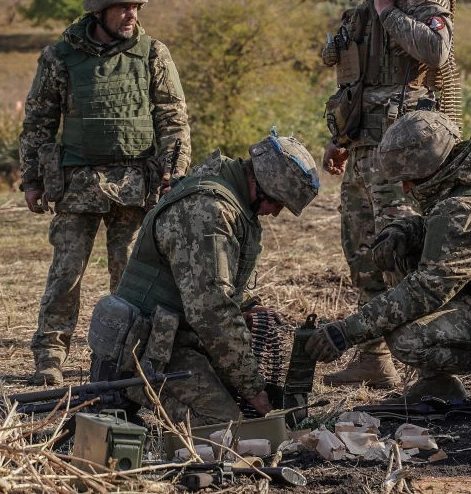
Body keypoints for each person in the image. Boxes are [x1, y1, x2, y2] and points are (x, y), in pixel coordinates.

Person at [305, 110, 471, 399]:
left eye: (410, 178)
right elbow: (449, 236)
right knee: (399, 247)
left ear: (433, 169)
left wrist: (346, 332)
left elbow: (425, 291)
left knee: (406, 338)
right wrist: (408, 230)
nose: (405, 188)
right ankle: (437, 383)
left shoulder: (469, 210)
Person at [19, 0, 191, 385]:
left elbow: (173, 117)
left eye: (136, 5)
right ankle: (49, 357)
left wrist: (174, 172)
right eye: (122, 6)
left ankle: (127, 358)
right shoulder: (59, 57)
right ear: (99, 10)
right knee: (66, 273)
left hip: (135, 184)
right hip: (76, 184)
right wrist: (31, 179)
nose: (131, 14)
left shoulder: (153, 54)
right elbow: (38, 120)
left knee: (131, 280)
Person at [85, 133, 320, 424]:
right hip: (144, 350)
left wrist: (246, 308)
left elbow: (206, 284)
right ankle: (129, 393)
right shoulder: (208, 210)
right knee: (227, 428)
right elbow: (212, 311)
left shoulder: (224, 190)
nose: (275, 213)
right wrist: (255, 392)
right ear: (260, 184)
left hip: (172, 338)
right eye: (277, 202)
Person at [319, 0, 458, 388]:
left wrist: (389, 11)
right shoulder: (366, 5)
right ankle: (374, 357)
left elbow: (438, 52)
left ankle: (433, 371)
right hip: (364, 149)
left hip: (402, 157)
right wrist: (341, 139)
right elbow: (359, 82)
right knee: (361, 252)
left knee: (401, 253)